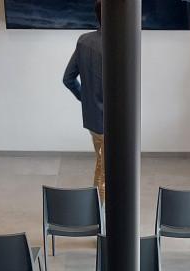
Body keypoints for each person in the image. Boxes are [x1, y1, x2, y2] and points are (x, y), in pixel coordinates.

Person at [64, 2, 106, 202]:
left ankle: (97, 212)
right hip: (112, 123)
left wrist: (86, 99)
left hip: (92, 118)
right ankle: (103, 218)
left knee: (101, 163)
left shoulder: (83, 41)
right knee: (106, 173)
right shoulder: (118, 45)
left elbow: (68, 79)